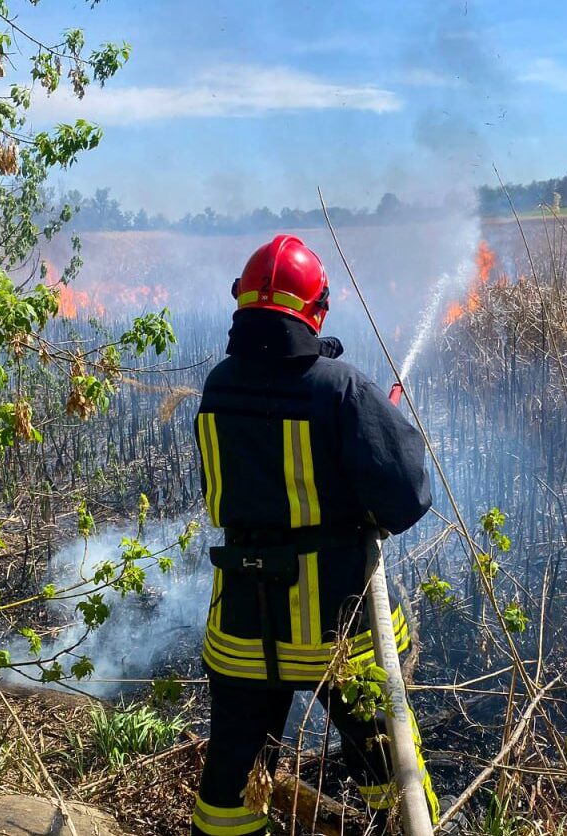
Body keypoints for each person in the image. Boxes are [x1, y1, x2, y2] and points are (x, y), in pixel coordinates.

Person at [191, 234, 439, 836]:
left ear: (243, 304)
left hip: (243, 626)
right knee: (388, 768)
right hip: (339, 632)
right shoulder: (343, 389)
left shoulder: (217, 386)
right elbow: (408, 496)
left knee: (233, 782)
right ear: (315, 310)